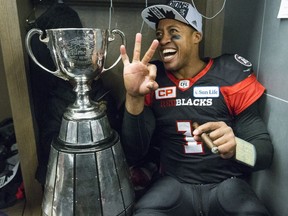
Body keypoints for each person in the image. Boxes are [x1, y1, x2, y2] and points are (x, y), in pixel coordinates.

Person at [120, 0, 274, 215]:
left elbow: (264, 154)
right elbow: (133, 153)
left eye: (173, 32)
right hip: (172, 184)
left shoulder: (229, 73)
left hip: (227, 184)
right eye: (159, 34)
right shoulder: (153, 78)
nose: (164, 40)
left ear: (197, 36)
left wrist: (238, 147)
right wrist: (134, 96)